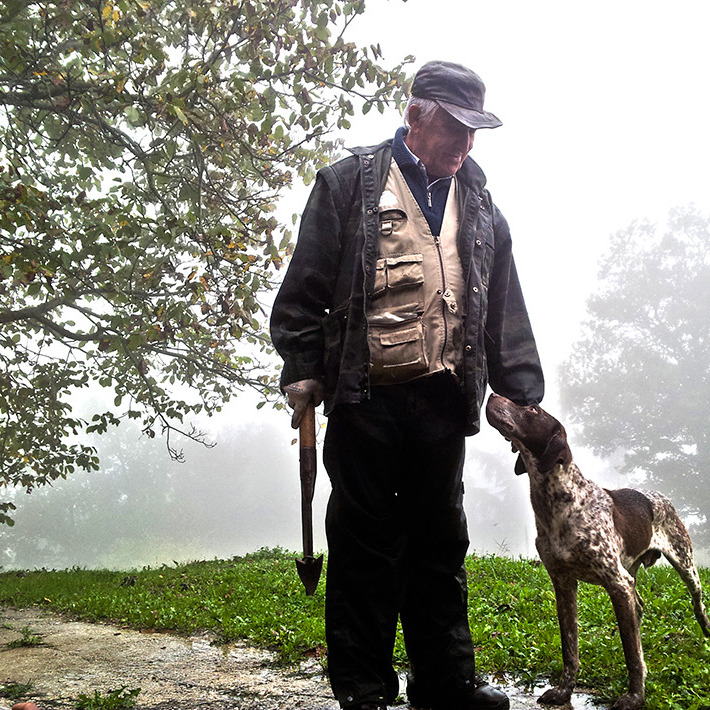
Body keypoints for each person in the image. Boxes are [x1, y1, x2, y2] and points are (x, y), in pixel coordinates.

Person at [270, 60, 544, 710]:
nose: (465, 144)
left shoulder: (479, 204)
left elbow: (502, 305)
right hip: (367, 400)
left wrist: (521, 390)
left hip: (443, 402)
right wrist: (303, 369)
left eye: (473, 132)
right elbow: (303, 292)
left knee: (440, 545)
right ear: (416, 115)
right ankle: (364, 691)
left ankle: (445, 684)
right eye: (455, 127)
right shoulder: (346, 185)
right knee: (366, 549)